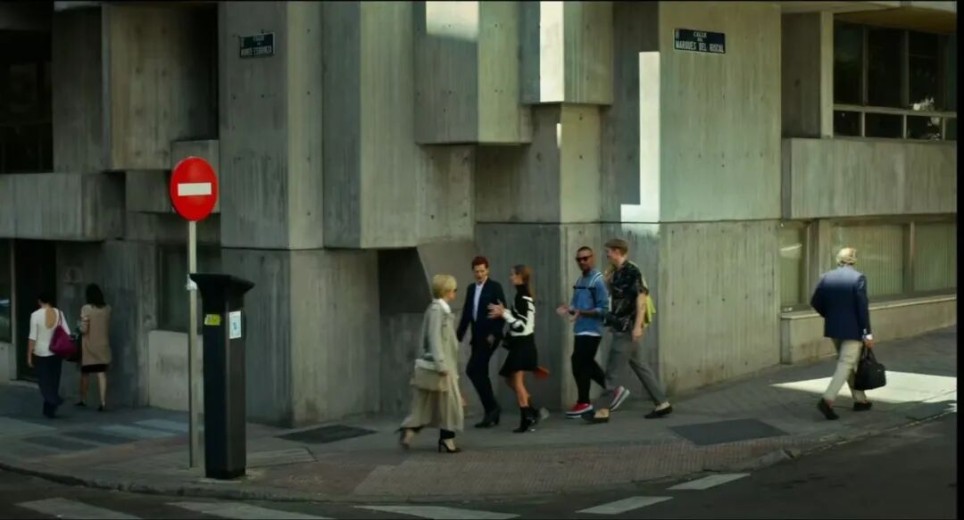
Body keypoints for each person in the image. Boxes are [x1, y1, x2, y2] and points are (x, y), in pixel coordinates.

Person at [585, 238, 672, 424]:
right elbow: (615, 298)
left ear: (617, 251)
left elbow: (641, 299)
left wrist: (638, 326)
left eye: (608, 251)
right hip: (621, 326)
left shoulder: (632, 271)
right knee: (640, 366)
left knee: (612, 371)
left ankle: (602, 410)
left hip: (627, 328)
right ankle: (662, 403)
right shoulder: (616, 272)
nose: (606, 255)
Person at [398, 274, 465, 453]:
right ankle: (446, 439)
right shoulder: (437, 311)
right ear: (447, 291)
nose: (455, 292)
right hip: (441, 366)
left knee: (429, 404)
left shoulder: (441, 310)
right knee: (448, 404)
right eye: (454, 289)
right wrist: (442, 365)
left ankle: (410, 430)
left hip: (441, 365)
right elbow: (434, 338)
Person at [810, 247, 874, 421]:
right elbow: (862, 309)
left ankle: (860, 400)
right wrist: (867, 334)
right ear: (854, 260)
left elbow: (815, 301)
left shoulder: (826, 277)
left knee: (848, 363)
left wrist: (829, 315)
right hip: (853, 330)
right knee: (846, 363)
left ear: (838, 259)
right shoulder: (858, 278)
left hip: (834, 329)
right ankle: (827, 399)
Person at [487, 265, 545, 433]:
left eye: (513, 275)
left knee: (517, 382)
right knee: (509, 379)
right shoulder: (522, 296)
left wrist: (504, 313)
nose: (510, 277)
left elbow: (521, 326)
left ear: (520, 277)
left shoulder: (523, 297)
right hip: (521, 344)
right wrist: (505, 312)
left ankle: (526, 417)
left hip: (523, 344)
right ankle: (531, 410)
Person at [557, 246, 610, 418]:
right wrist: (568, 309)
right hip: (580, 329)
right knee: (581, 363)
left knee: (582, 363)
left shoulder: (597, 280)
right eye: (579, 259)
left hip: (592, 330)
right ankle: (611, 389)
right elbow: (576, 305)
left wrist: (582, 312)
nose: (582, 262)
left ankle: (584, 402)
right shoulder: (580, 280)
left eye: (585, 258)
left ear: (592, 258)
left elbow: (603, 309)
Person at [456, 256, 507, 428]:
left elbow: (502, 311)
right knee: (480, 373)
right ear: (473, 272)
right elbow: (467, 313)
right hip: (477, 337)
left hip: (490, 337)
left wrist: (495, 333)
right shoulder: (471, 289)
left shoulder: (494, 287)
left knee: (473, 369)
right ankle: (492, 411)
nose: (479, 274)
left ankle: (492, 407)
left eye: (482, 271)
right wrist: (458, 336)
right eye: (477, 271)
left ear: (488, 270)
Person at [27, 291, 70, 419]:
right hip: (56, 352)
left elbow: (32, 338)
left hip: (41, 352)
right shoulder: (59, 313)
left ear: (39, 301)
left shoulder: (35, 315)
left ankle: (54, 400)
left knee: (44, 382)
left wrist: (29, 355)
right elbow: (67, 332)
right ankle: (49, 408)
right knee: (54, 381)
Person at [76, 284, 112, 411]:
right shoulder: (108, 309)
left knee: (85, 373)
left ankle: (83, 399)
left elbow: (84, 329)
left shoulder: (86, 309)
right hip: (103, 346)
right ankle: (103, 402)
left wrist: (78, 327)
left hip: (89, 347)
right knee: (101, 374)